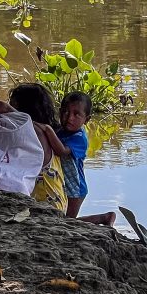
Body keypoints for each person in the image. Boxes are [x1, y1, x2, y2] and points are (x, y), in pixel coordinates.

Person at [36, 91, 115, 226]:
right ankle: (104, 218)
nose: (69, 117)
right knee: (65, 221)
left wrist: (48, 130)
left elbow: (61, 151)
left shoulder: (79, 138)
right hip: (62, 184)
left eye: (76, 114)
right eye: (65, 112)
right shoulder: (61, 131)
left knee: (67, 223)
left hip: (75, 189)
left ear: (87, 119)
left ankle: (106, 217)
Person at [0, 83, 68, 212]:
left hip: (47, 203)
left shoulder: (35, 132)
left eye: (12, 104)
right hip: (57, 199)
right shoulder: (46, 129)